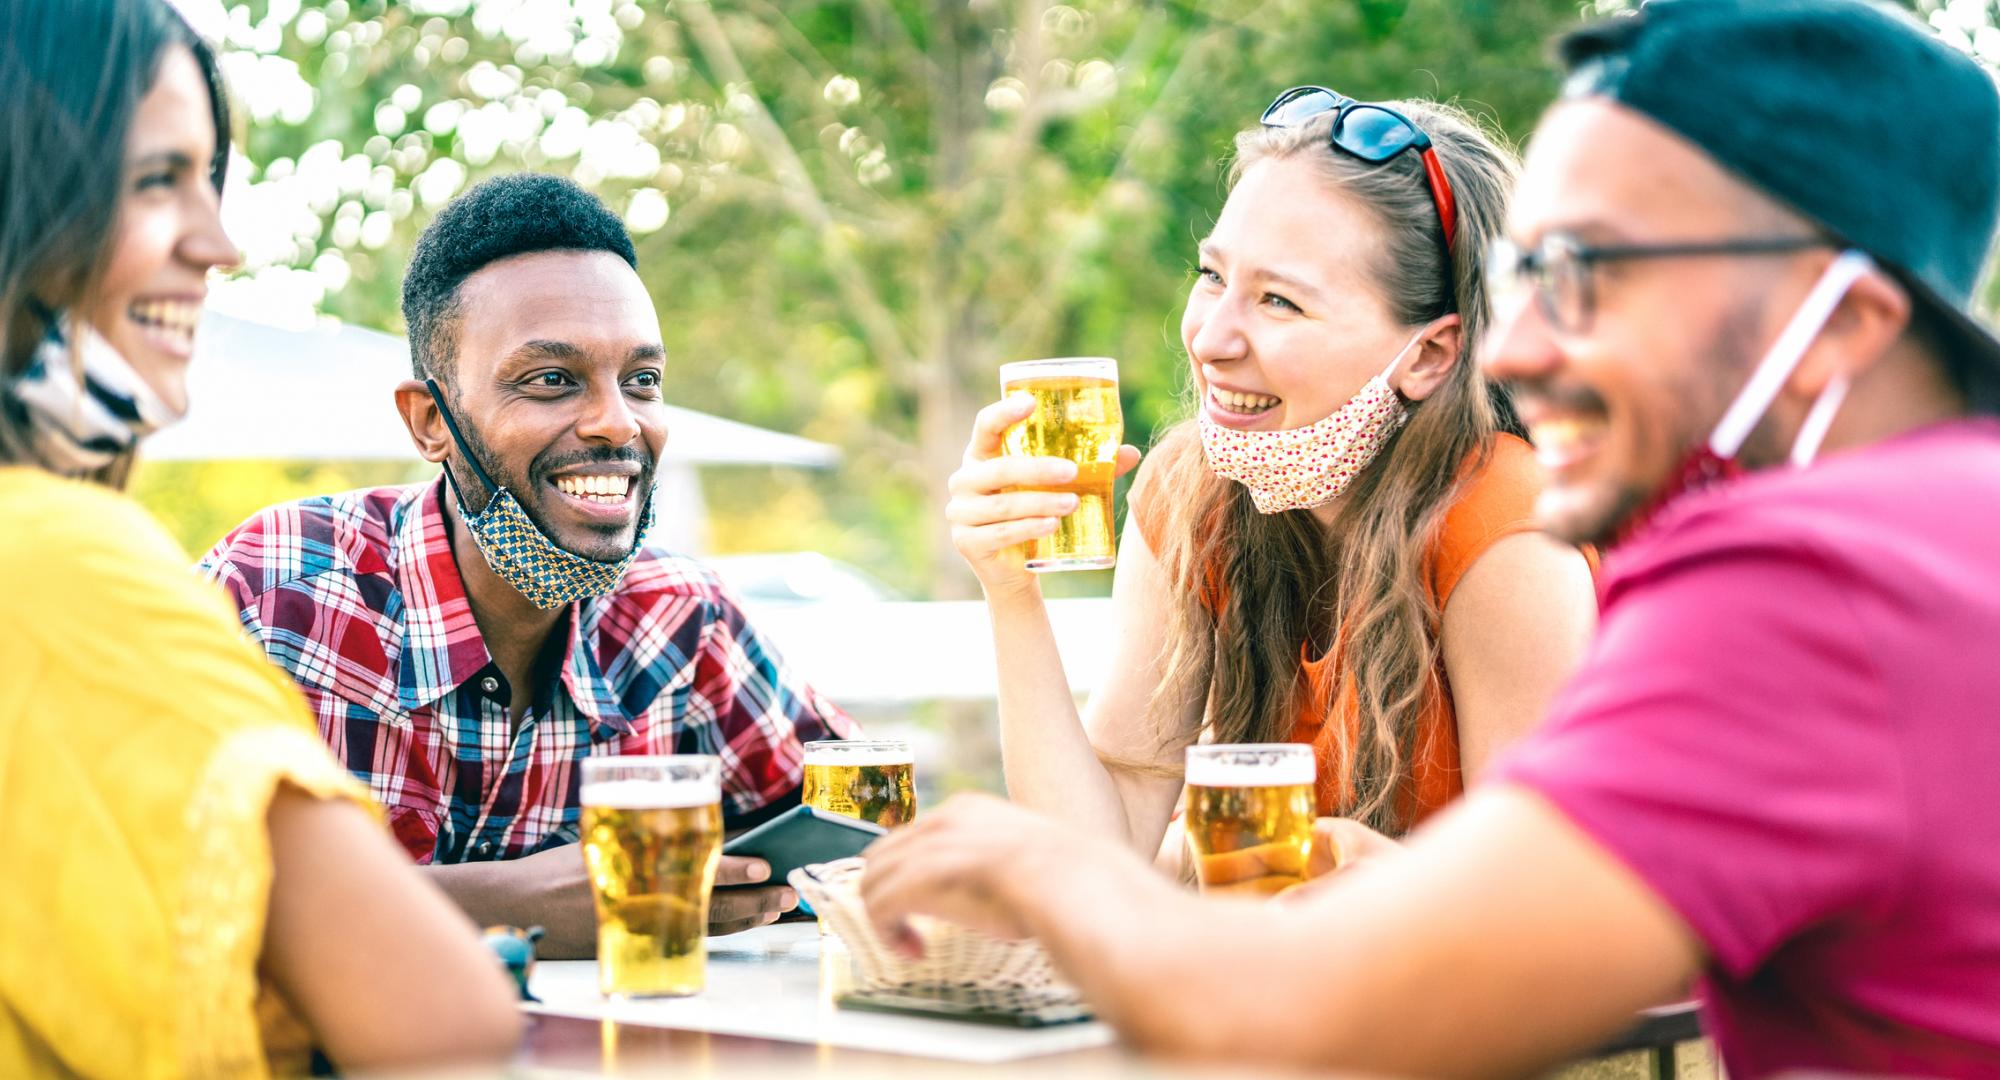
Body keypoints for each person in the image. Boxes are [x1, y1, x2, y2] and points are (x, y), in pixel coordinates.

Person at [862, 0, 2000, 1074]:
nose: (1520, 350)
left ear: (1837, 326)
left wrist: (1039, 872)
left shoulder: (1800, 585)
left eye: (1602, 275)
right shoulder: (1924, 531)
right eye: (1533, 274)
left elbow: (1364, 1003)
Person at [0, 0, 522, 1074]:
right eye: (154, 179)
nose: (219, 243)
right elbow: (442, 1021)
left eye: (211, 181)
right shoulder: (60, 562)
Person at [199, 172, 855, 957]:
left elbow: (858, 829)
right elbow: (153, 888)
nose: (618, 423)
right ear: (432, 421)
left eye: (641, 381)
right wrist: (518, 906)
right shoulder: (277, 594)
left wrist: (752, 880)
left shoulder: (681, 615)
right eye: (552, 380)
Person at [945, 87, 1596, 869]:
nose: (1211, 339)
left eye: (1279, 301)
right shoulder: (1191, 493)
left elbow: (1539, 895)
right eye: (1213, 276)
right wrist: (1010, 588)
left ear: (1429, 355)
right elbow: (1096, 854)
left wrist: (1359, 872)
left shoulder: (1508, 525)